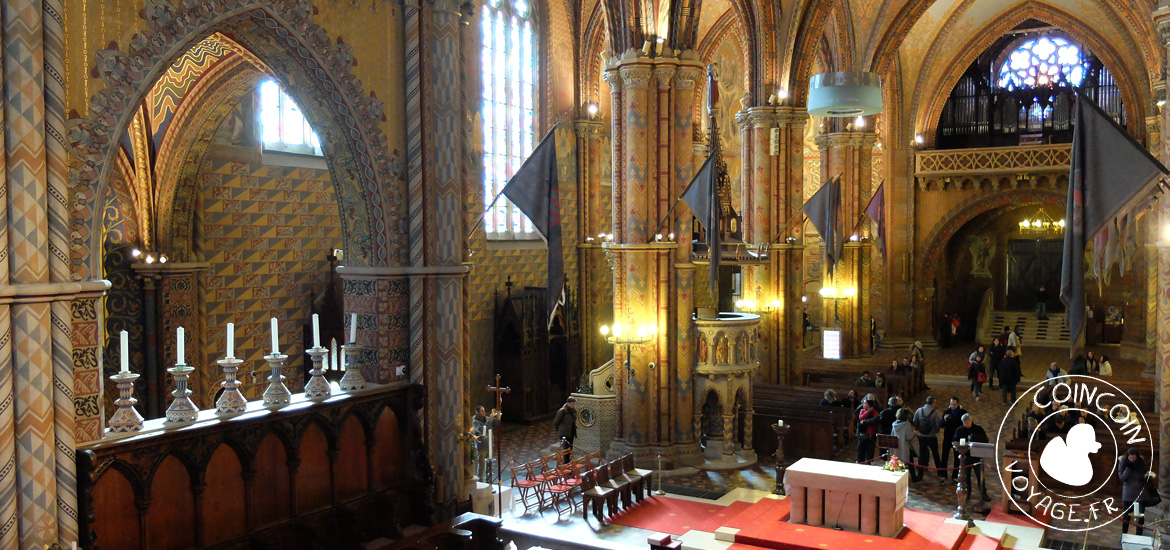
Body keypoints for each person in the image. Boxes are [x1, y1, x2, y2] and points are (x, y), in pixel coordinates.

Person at [952, 413, 991, 501]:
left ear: (971, 421)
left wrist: (973, 438)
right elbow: (954, 441)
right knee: (966, 476)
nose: (966, 424)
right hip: (966, 457)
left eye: (968, 422)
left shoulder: (978, 429)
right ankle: (967, 493)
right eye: (965, 423)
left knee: (980, 476)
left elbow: (985, 440)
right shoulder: (959, 430)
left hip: (977, 456)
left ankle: (983, 493)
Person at [1119, 448, 1153, 536]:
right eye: (1130, 458)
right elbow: (1122, 477)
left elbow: (1143, 475)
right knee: (1126, 516)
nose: (1132, 460)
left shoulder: (1140, 463)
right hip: (1128, 493)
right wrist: (1129, 468)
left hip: (1140, 493)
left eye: (1134, 458)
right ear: (1128, 457)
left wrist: (1147, 477)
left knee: (1141, 517)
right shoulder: (1124, 463)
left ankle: (1139, 535)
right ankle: (1124, 534)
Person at [913, 396, 944, 483]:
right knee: (935, 453)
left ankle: (920, 472)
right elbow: (938, 426)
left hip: (921, 436)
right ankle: (939, 471)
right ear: (933, 403)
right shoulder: (935, 412)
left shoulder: (919, 410)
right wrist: (935, 431)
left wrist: (919, 429)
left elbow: (915, 421)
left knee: (922, 453)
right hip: (931, 436)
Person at [942, 397, 967, 482]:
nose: (952, 406)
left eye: (954, 405)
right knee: (944, 456)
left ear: (958, 404)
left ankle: (955, 476)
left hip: (957, 438)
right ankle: (943, 475)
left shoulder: (962, 412)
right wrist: (945, 420)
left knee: (957, 458)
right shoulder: (947, 411)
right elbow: (941, 424)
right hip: (947, 437)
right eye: (951, 404)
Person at [892, 408, 921, 482]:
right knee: (910, 462)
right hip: (905, 446)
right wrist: (915, 433)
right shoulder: (906, 424)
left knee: (898, 462)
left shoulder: (895, 423)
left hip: (897, 445)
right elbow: (909, 436)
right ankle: (914, 478)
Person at [553, 397, 577, 464]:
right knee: (566, 450)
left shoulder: (573, 410)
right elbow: (556, 422)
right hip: (564, 434)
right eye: (572, 404)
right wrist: (560, 431)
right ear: (568, 403)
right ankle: (566, 465)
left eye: (574, 404)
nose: (573, 405)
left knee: (570, 449)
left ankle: (568, 463)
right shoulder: (562, 411)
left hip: (571, 432)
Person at [857, 399, 880, 463]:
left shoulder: (875, 412)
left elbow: (875, 421)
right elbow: (861, 418)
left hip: (871, 434)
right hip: (863, 433)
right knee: (861, 450)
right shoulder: (862, 410)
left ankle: (868, 463)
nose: (863, 404)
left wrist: (870, 412)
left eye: (865, 403)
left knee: (870, 451)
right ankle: (860, 462)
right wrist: (867, 412)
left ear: (869, 405)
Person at [472, 406, 490, 479]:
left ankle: (489, 479)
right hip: (481, 445)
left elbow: (495, 423)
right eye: (482, 411)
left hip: (488, 443)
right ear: (477, 412)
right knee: (481, 464)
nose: (484, 412)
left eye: (484, 410)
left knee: (489, 462)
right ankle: (480, 479)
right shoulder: (475, 421)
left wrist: (496, 415)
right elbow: (481, 430)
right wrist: (489, 421)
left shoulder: (486, 418)